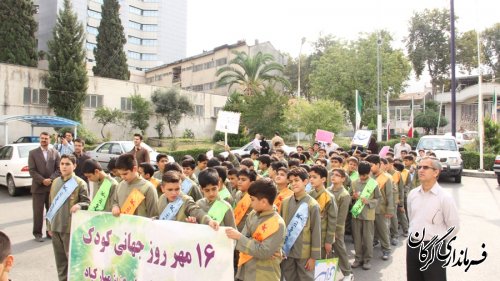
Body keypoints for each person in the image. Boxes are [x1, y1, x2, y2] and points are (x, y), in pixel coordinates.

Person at [406, 157, 460, 281]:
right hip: (413, 245)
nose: (421, 170)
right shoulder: (412, 194)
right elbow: (411, 218)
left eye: (425, 167)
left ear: (436, 172)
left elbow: (454, 227)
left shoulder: (445, 198)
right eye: (419, 167)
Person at [226, 178, 286, 281]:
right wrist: (257, 245)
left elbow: (263, 252)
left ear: (263, 202)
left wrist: (241, 238)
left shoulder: (277, 223)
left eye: (252, 199)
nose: (251, 203)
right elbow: (246, 237)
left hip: (263, 275)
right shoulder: (253, 214)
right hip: (245, 271)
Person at [46, 154, 90, 281]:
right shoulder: (55, 182)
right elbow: (50, 205)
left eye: (67, 164)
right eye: (62, 164)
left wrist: (79, 205)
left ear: (74, 166)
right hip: (55, 227)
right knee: (60, 263)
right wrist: (49, 225)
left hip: (70, 229)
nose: (64, 167)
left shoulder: (80, 183)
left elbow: (87, 203)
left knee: (72, 261)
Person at [280, 167, 321, 281]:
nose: (293, 183)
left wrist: (314, 257)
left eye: (296, 180)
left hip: (304, 252)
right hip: (287, 251)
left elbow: (316, 232)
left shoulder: (312, 205)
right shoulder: (285, 202)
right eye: (291, 181)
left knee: (305, 278)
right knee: (289, 277)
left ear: (305, 181)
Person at [28, 132, 61, 242]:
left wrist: (50, 179)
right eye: (42, 138)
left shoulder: (55, 152)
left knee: (51, 211)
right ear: (39, 139)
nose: (44, 140)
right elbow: (32, 170)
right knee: (38, 212)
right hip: (38, 188)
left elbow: (59, 169)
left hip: (51, 187)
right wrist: (42, 180)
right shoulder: (33, 153)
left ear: (49, 140)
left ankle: (49, 232)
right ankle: (37, 233)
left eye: (46, 138)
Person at [350, 161, 382, 270]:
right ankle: (358, 258)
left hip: (368, 215)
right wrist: (353, 197)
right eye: (361, 175)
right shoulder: (354, 182)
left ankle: (367, 260)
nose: (363, 177)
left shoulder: (373, 183)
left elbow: (378, 198)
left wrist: (369, 201)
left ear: (369, 172)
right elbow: (350, 196)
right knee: (357, 238)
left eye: (365, 175)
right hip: (356, 214)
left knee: (368, 238)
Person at [365, 155, 394, 261]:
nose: (369, 167)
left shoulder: (387, 178)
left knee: (383, 230)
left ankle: (386, 249)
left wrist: (390, 210)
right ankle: (373, 242)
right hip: (370, 207)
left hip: (381, 209)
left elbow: (390, 195)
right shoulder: (369, 176)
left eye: (371, 165)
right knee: (370, 229)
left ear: (378, 164)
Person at [328, 169, 354, 281]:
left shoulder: (345, 194)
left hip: (336, 228)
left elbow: (342, 217)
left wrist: (335, 231)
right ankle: (327, 274)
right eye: (333, 174)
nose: (334, 177)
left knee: (340, 250)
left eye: (337, 175)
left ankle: (348, 273)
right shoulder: (327, 190)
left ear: (343, 179)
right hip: (326, 225)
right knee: (327, 251)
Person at [308, 165, 337, 260]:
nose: (311, 179)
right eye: (310, 177)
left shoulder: (329, 197)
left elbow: (332, 221)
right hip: (309, 234)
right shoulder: (309, 194)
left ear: (323, 179)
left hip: (322, 236)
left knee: (319, 261)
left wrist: (329, 241)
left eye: (314, 177)